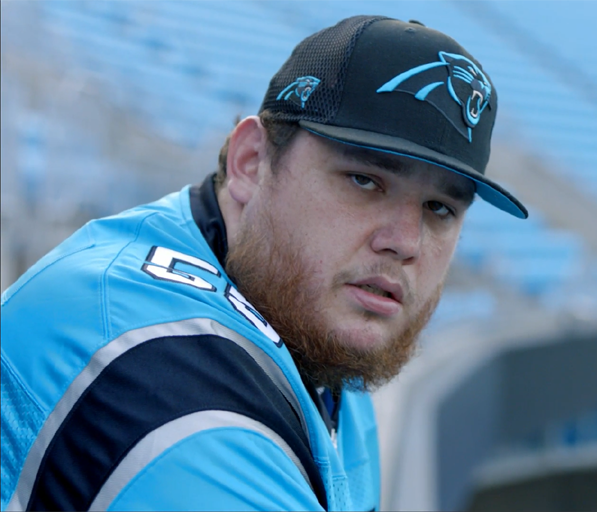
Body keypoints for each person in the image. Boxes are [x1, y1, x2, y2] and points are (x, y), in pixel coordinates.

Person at [1, 14, 527, 512]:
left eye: (440, 208)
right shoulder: (163, 374)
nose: (406, 242)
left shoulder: (319, 333)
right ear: (250, 162)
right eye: (365, 180)